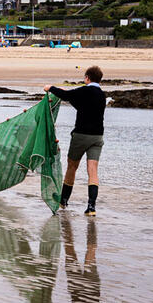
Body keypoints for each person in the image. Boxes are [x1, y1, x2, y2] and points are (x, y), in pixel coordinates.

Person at [43, 65, 105, 216]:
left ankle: (63, 201)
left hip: (81, 135)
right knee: (93, 171)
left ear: (87, 78)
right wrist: (68, 96)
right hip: (98, 137)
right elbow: (80, 105)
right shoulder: (102, 95)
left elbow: (66, 96)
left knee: (72, 166)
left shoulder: (85, 90)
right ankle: (91, 207)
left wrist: (50, 87)